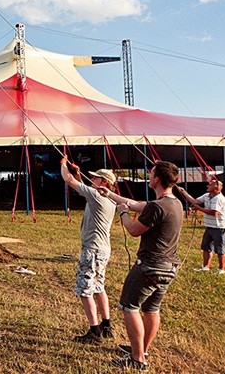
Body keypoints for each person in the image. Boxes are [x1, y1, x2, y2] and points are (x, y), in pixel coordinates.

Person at [97, 160, 183, 371]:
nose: (149, 176)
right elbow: (134, 203)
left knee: (129, 307)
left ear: (157, 179)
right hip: (169, 267)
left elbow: (134, 230)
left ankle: (137, 360)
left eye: (151, 174)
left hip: (150, 266)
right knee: (151, 309)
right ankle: (142, 350)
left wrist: (122, 213)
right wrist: (109, 193)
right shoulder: (174, 203)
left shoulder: (157, 206)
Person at [60, 157, 117, 345]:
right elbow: (81, 186)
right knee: (99, 286)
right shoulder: (108, 199)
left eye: (96, 178)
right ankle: (106, 325)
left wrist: (63, 163)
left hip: (92, 250)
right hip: (102, 249)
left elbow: (68, 180)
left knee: (85, 291)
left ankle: (94, 332)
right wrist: (78, 174)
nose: (92, 179)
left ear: (104, 183)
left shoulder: (96, 196)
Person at [177, 179, 225, 274]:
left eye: (210, 185)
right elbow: (194, 201)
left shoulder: (219, 198)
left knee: (220, 248)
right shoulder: (207, 196)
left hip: (221, 227)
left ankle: (221, 270)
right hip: (210, 226)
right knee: (206, 247)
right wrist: (184, 192)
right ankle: (206, 267)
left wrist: (199, 209)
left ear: (216, 188)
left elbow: (214, 213)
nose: (208, 185)